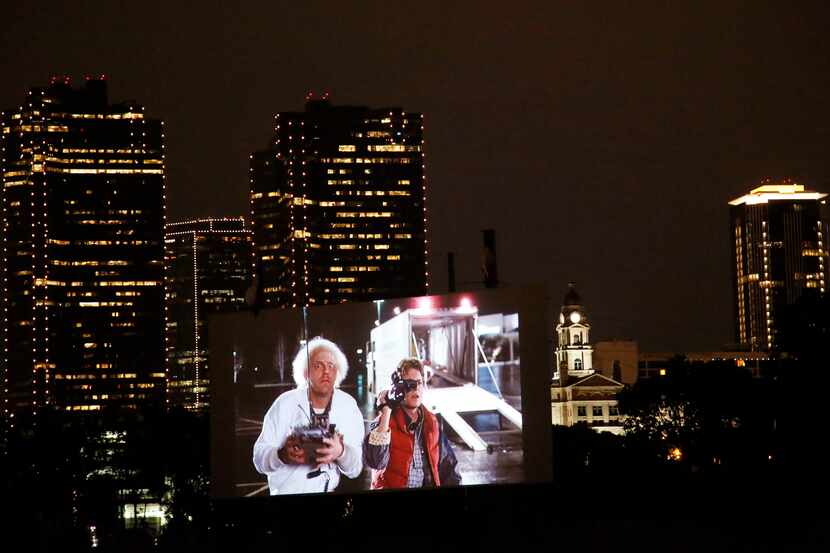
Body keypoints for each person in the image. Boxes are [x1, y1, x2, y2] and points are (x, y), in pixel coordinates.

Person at [253, 337, 364, 495]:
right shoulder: (285, 403)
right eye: (318, 365)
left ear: (338, 371)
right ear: (306, 373)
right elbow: (259, 459)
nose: (326, 371)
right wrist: (282, 455)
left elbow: (355, 469)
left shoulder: (348, 405)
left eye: (331, 365)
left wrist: (341, 452)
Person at [363, 358, 461, 489]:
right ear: (398, 387)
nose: (416, 388)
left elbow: (450, 468)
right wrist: (386, 409)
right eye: (410, 384)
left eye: (419, 383)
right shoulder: (384, 423)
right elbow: (376, 462)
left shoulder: (432, 423)